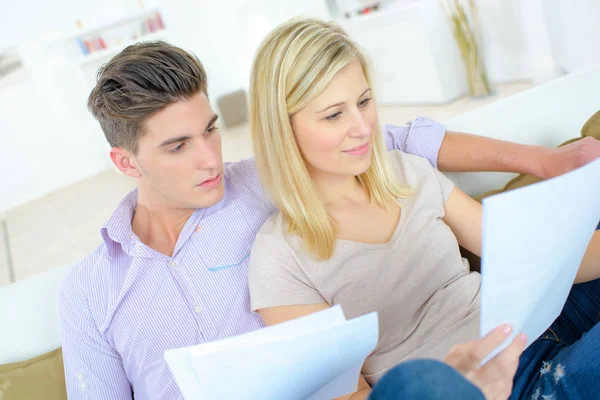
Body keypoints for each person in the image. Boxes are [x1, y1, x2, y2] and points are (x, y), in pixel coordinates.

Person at [58, 39, 600, 399]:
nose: (209, 158)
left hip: (503, 328)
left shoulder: (260, 178)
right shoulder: (90, 293)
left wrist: (542, 160)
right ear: (126, 162)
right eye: (178, 146)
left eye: (212, 130)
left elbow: (385, 140)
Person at [247, 17, 600, 400]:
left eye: (364, 102)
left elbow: (530, 252)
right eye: (334, 115)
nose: (363, 127)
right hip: (504, 387)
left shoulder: (406, 172)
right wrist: (455, 383)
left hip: (536, 323)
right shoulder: (279, 257)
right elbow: (349, 396)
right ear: (283, 128)